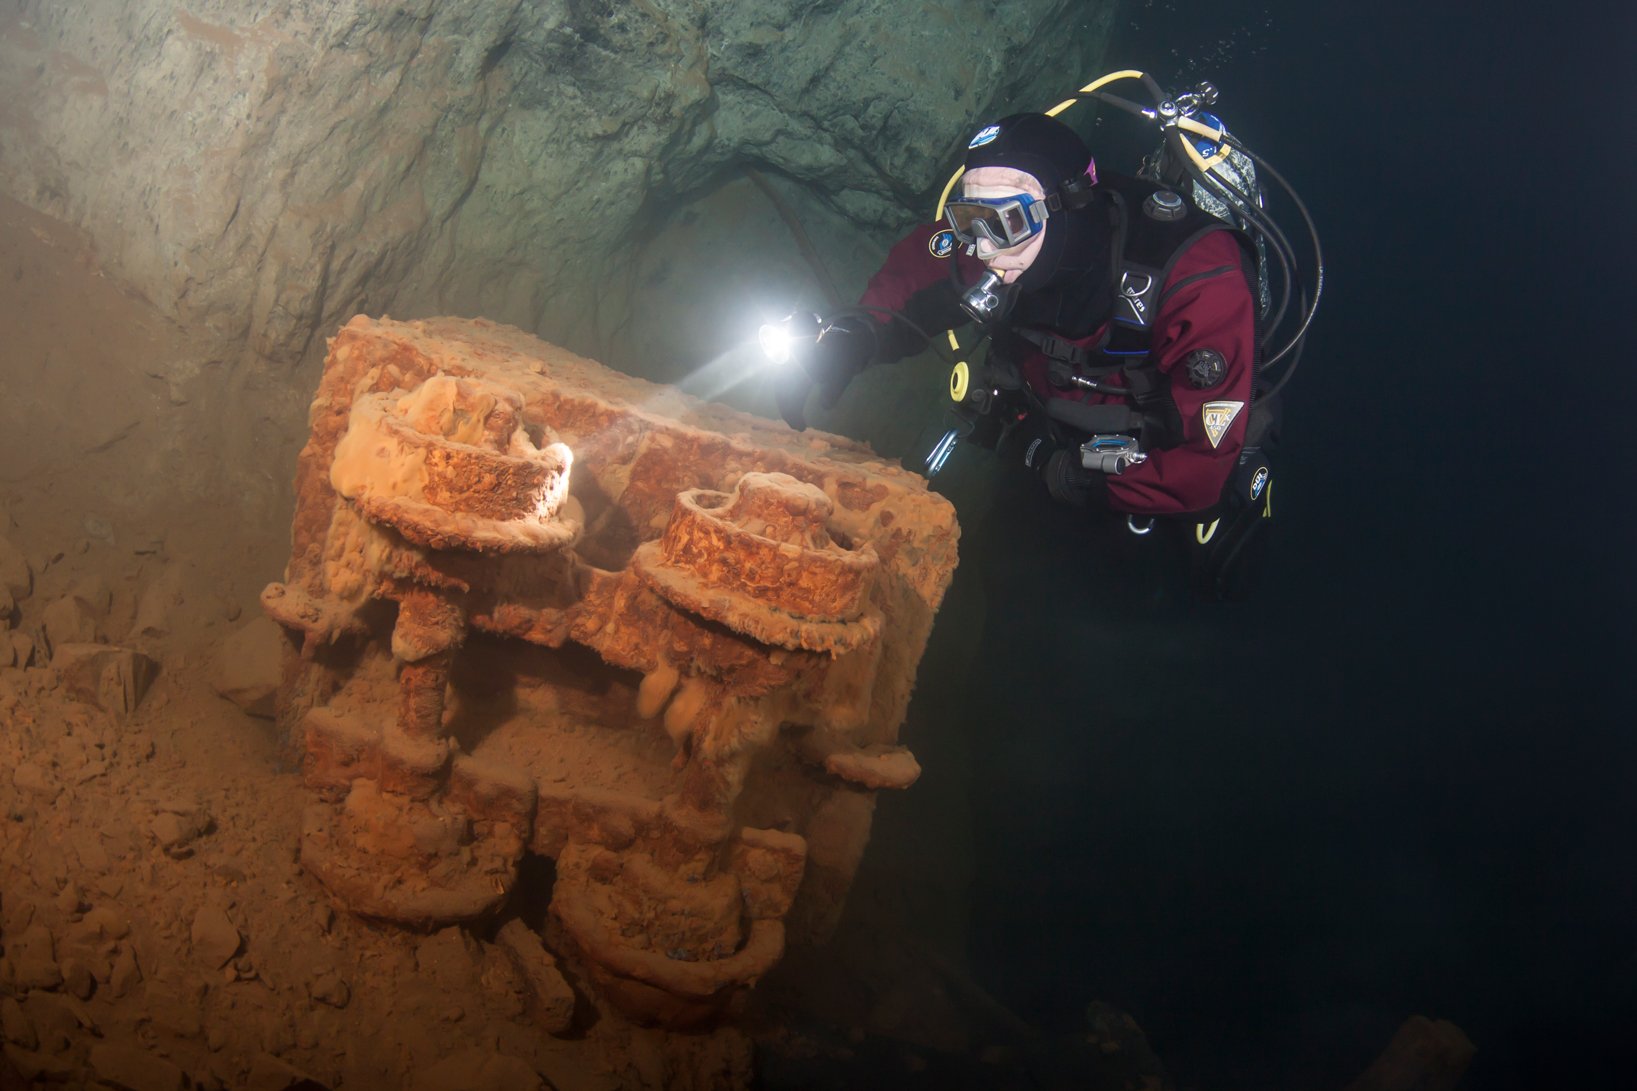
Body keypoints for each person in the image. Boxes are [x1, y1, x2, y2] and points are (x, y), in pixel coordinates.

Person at [775, 111, 1278, 600]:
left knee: (1191, 582)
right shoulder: (998, 247)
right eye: (970, 220)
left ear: (1068, 205)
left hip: (1154, 458)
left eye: (1008, 220)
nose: (987, 250)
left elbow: (1203, 467)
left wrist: (1082, 482)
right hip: (1044, 433)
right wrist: (851, 338)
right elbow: (917, 268)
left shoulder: (1199, 279)